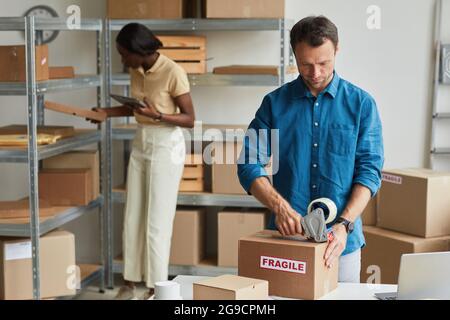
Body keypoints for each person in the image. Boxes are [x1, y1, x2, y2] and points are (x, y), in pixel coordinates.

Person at [237, 16, 384, 283]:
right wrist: (279, 206)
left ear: (337, 50)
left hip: (341, 243)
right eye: (305, 64)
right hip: (286, 241)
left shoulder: (362, 105)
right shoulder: (273, 104)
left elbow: (369, 172)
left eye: (323, 63)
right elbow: (248, 164)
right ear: (294, 55)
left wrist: (345, 224)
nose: (315, 73)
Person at [88, 23, 195, 299]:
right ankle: (131, 283)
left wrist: (159, 115)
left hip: (166, 144)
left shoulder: (173, 72)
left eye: (124, 54)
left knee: (157, 221)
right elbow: (134, 107)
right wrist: (106, 112)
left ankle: (155, 287)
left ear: (139, 50)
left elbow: (190, 119)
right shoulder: (137, 71)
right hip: (141, 141)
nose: (123, 60)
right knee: (133, 214)